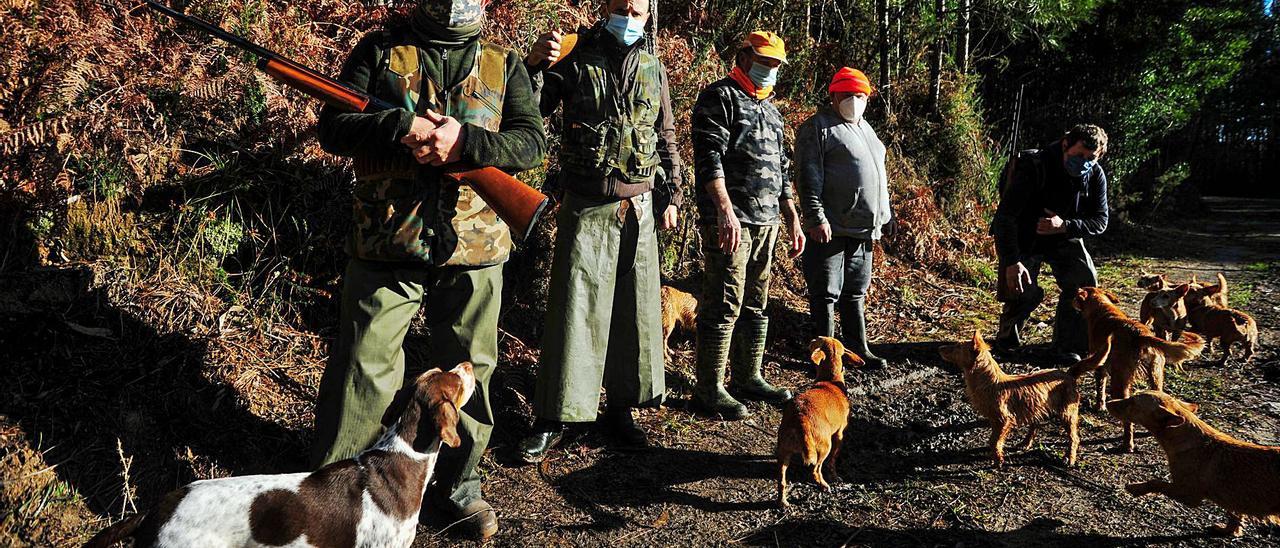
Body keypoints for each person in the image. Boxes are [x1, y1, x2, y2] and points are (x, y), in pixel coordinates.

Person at [309, 0, 546, 539]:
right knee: (361, 371)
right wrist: (399, 125)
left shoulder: (503, 63)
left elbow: (531, 142)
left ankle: (459, 487)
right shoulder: (378, 51)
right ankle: (333, 493)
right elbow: (335, 128)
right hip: (386, 243)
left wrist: (465, 143)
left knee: (470, 372)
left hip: (476, 248)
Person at [517, 0, 684, 463]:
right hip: (587, 203)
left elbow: (666, 133)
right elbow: (529, 111)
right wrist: (532, 65)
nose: (626, 16)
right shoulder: (573, 55)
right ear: (604, 7)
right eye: (618, 6)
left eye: (635, 9)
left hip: (641, 206)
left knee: (633, 315)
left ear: (648, 14)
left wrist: (673, 195)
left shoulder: (654, 67)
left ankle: (620, 408)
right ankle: (556, 417)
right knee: (574, 313)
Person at [688, 31, 804, 420]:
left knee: (756, 301)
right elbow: (708, 158)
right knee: (724, 302)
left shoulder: (771, 110)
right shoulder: (719, 98)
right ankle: (709, 387)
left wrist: (792, 218)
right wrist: (724, 209)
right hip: (732, 222)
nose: (769, 69)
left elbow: (782, 169)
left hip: (767, 222)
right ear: (743, 56)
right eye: (764, 60)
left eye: (775, 64)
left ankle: (748, 376)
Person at [796, 68, 893, 369]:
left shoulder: (867, 129)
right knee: (825, 293)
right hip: (830, 228)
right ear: (834, 95)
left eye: (861, 95)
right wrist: (815, 217)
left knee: (855, 292)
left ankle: (857, 347)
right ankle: (825, 355)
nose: (855, 100)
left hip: (865, 230)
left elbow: (879, 176)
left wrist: (885, 215)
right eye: (849, 94)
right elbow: (807, 176)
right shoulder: (819, 128)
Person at [991, 124, 1109, 363]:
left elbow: (1100, 220)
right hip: (1025, 237)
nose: (1084, 162)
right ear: (1065, 144)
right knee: (1021, 287)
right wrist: (1012, 261)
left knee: (1083, 285)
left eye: (1090, 158)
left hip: (1065, 236)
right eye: (1079, 155)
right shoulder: (1034, 166)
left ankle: (1068, 346)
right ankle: (1006, 341)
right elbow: (1005, 217)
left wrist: (1065, 225)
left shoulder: (1095, 175)